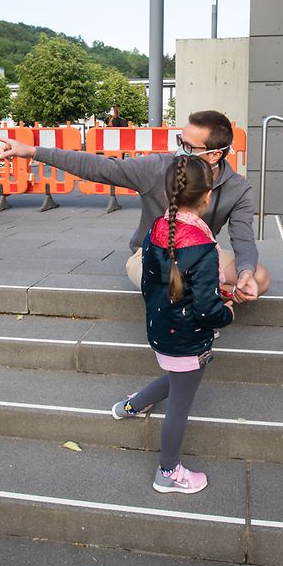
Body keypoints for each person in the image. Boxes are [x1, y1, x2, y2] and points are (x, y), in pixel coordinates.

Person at [0, 110, 270, 303]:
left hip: (199, 253)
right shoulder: (157, 168)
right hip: (151, 255)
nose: (180, 150)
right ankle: (207, 301)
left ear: (214, 155)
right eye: (180, 142)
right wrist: (33, 152)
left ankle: (212, 298)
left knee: (259, 276)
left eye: (188, 146)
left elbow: (243, 239)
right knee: (177, 286)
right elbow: (99, 167)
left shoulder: (237, 188)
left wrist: (245, 274)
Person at [111, 155, 234, 493]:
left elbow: (153, 284)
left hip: (159, 329)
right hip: (188, 339)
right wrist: (227, 313)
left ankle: (130, 406)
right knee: (180, 403)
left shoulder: (157, 229)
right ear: (207, 196)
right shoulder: (204, 247)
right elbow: (208, 309)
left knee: (175, 381)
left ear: (168, 194)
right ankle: (167, 472)